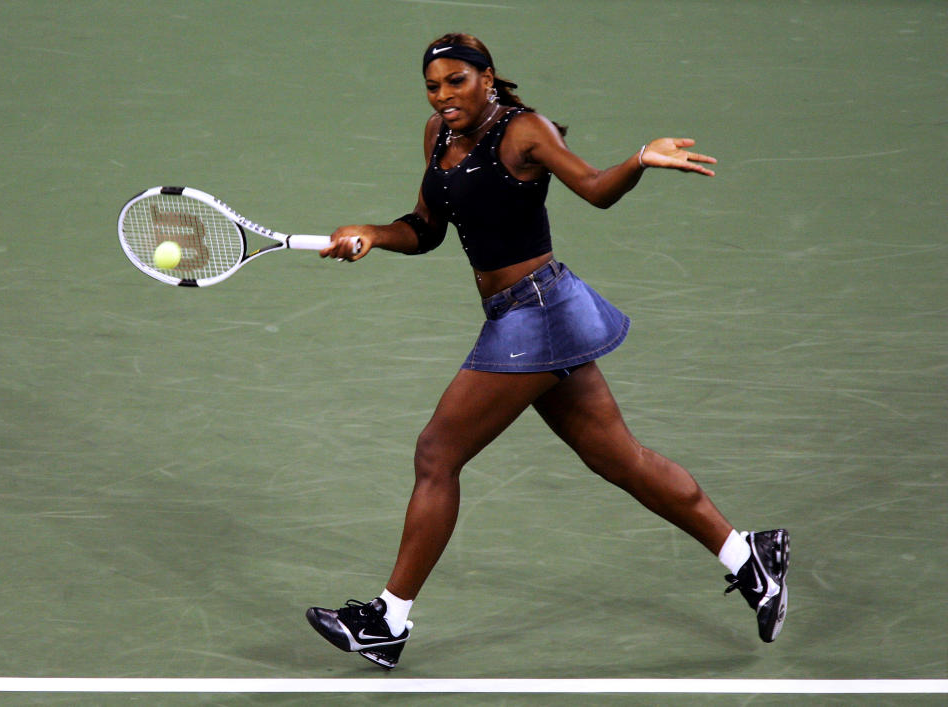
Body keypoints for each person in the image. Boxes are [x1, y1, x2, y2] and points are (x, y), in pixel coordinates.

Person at [305, 33, 789, 669]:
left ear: (487, 78)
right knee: (621, 459)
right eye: (433, 86)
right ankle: (745, 555)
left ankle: (388, 620)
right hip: (528, 315)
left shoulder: (523, 132)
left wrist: (641, 159)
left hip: (536, 314)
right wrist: (370, 233)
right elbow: (425, 229)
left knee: (436, 453)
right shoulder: (438, 135)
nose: (444, 96)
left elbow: (594, 187)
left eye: (457, 82)